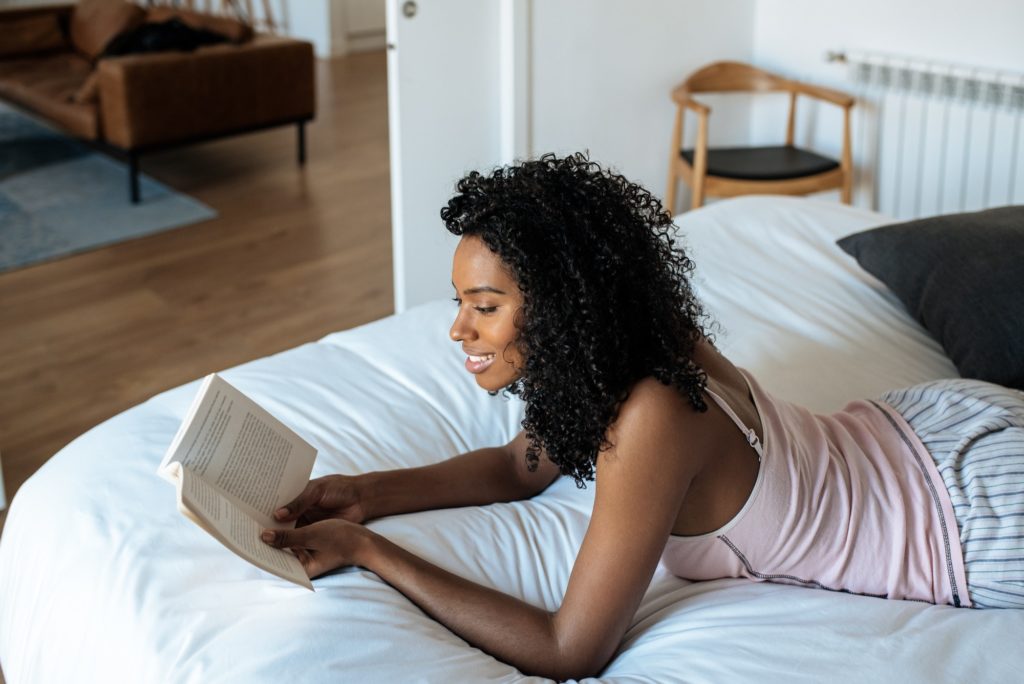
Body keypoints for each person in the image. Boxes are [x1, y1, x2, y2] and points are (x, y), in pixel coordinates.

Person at [261, 153, 1024, 680]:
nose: (459, 330)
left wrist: (368, 550)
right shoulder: (628, 346)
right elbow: (515, 468)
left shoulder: (651, 417)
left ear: (564, 308)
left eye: (484, 307)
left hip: (972, 519)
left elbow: (570, 650)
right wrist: (366, 493)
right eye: (460, 303)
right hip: (924, 435)